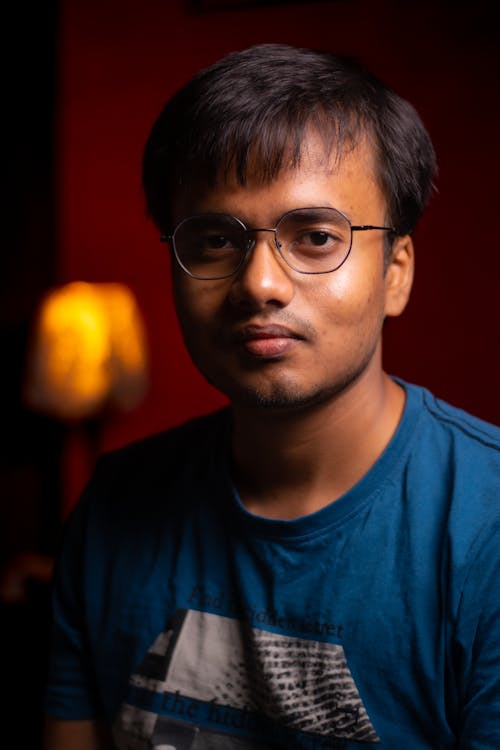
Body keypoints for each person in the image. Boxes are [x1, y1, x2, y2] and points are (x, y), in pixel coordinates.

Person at [43, 44, 500, 749]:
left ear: (397, 272)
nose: (260, 282)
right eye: (216, 239)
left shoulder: (484, 528)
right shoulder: (112, 508)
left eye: (316, 237)